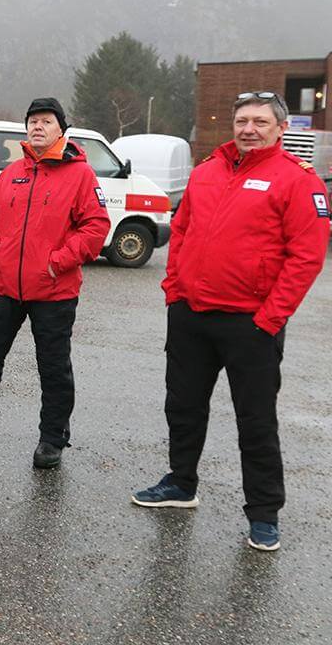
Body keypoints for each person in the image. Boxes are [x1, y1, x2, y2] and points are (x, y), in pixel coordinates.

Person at [132, 90, 329, 552]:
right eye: (243, 120)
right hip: (192, 317)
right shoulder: (205, 174)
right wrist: (174, 292)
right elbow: (179, 234)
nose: (249, 129)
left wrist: (270, 319)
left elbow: (306, 257)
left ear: (280, 130)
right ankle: (181, 484)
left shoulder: (298, 181)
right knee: (182, 407)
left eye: (261, 121)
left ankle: (263, 513)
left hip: (251, 325)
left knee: (255, 421)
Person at [0, 98, 110, 468]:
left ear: (60, 130)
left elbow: (95, 227)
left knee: (53, 367)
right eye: (32, 121)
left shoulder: (81, 175)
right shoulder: (12, 172)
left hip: (54, 290)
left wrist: (56, 262)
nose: (37, 127)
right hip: (4, 287)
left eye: (46, 121)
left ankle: (52, 439)